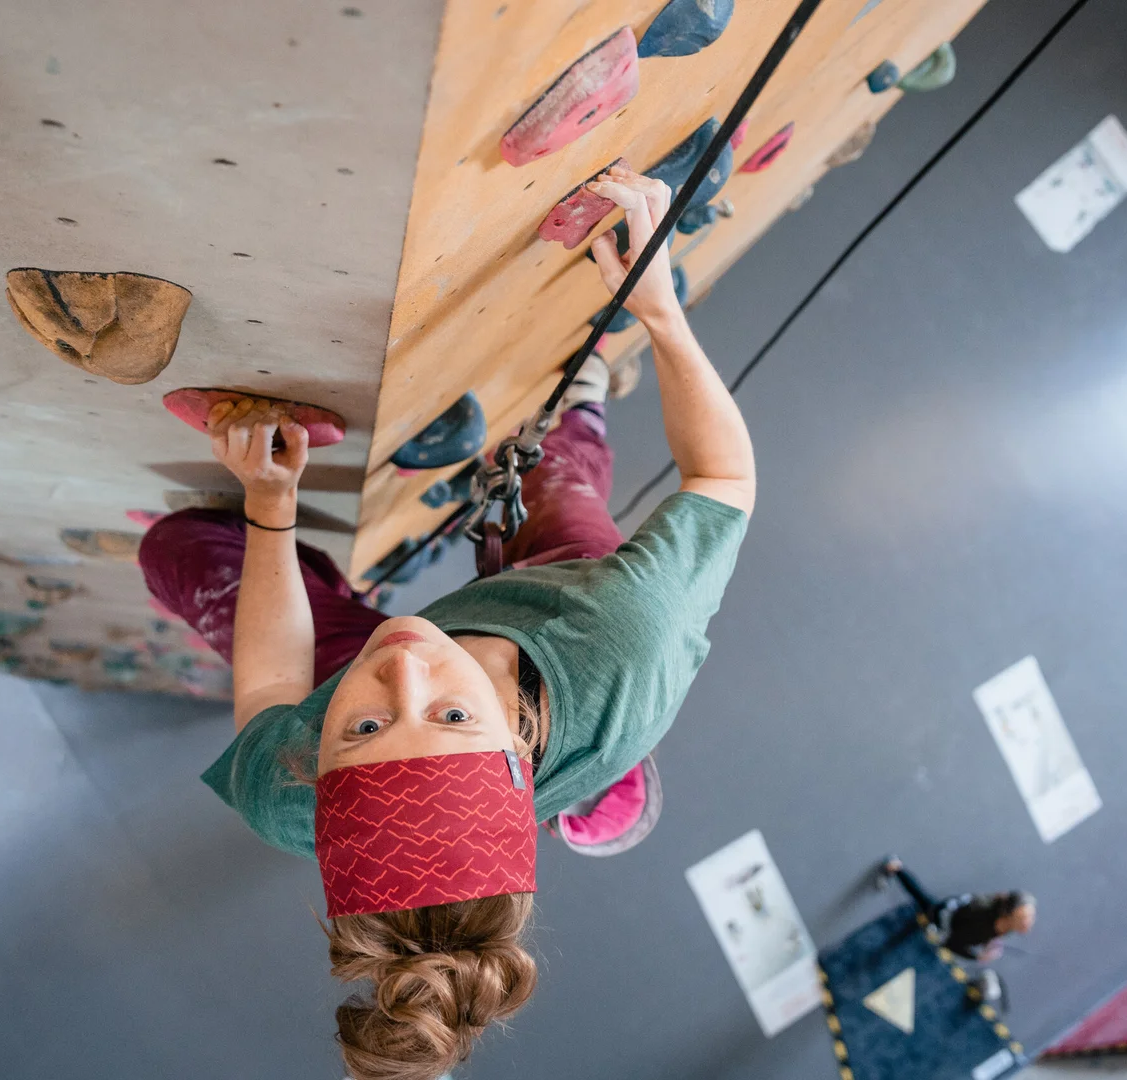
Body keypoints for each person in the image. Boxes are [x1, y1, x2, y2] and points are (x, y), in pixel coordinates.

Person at [139, 165, 755, 1080]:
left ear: (318, 769)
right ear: (517, 742)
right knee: (555, 478)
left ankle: (360, 643)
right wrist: (660, 308)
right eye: (456, 718)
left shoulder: (291, 795)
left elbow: (274, 686)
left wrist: (273, 503)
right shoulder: (629, 638)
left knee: (179, 551)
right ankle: (582, 416)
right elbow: (723, 482)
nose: (407, 668)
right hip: (562, 603)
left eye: (366, 727)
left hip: (463, 704)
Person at [879, 856, 1036, 964]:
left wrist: (991, 940)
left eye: (1030, 916)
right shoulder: (981, 923)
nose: (1028, 924)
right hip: (944, 916)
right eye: (1022, 919)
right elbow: (951, 943)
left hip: (957, 909)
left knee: (924, 901)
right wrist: (979, 957)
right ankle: (895, 866)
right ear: (1007, 916)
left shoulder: (1005, 924)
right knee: (922, 899)